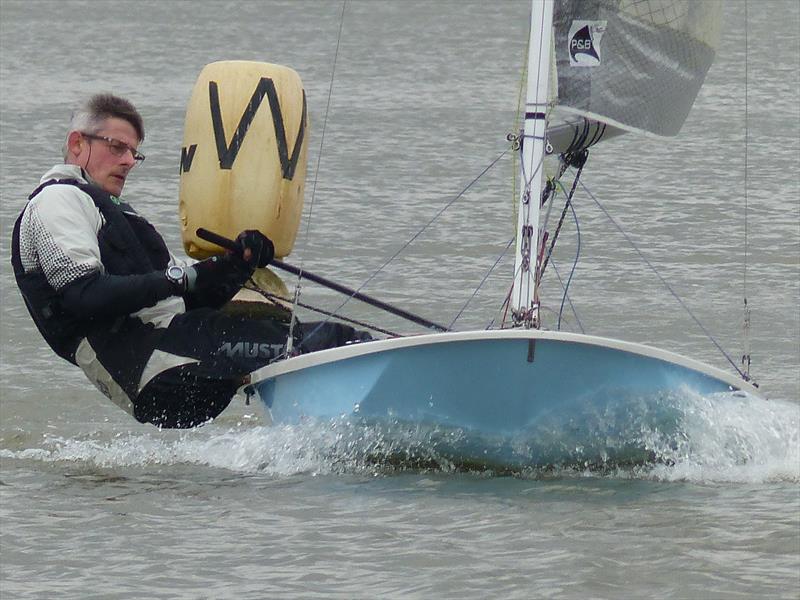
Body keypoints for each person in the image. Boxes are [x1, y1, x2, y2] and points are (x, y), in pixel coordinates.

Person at [11, 93, 369, 428]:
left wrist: (236, 264)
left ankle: (329, 436)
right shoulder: (57, 199)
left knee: (301, 340)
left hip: (174, 352)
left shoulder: (111, 210)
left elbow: (179, 300)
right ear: (78, 144)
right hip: (153, 366)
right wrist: (183, 277)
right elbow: (84, 295)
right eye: (117, 147)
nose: (127, 161)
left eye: (134, 153)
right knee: (336, 341)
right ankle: (381, 422)